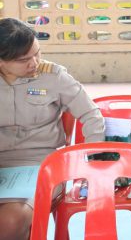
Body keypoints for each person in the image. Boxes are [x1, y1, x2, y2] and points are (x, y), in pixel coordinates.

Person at [0, 18, 105, 240]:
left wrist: (92, 163)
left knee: (10, 221)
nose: (34, 63)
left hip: (42, 164)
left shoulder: (53, 77)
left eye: (37, 53)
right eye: (23, 60)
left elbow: (91, 115)